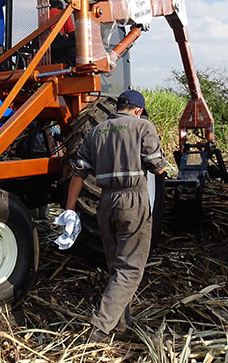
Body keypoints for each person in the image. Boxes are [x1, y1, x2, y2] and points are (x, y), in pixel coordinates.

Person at [63, 90, 165, 342]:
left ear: (118, 106)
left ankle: (121, 325)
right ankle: (100, 327)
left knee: (116, 266)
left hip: (105, 202)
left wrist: (70, 210)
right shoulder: (143, 127)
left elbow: (78, 174)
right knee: (130, 269)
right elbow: (158, 167)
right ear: (138, 110)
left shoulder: (95, 132)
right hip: (133, 199)